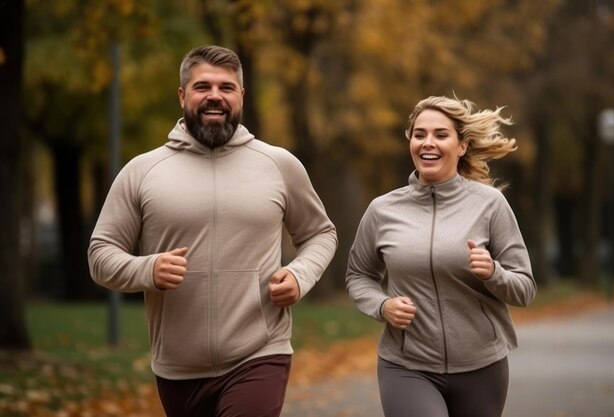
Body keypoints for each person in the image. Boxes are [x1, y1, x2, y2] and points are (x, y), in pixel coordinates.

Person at [88, 45, 337, 417]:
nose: (215, 96)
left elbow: (320, 233)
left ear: (241, 96)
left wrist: (300, 275)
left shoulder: (279, 165)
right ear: (182, 95)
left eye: (227, 87)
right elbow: (100, 254)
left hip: (260, 353)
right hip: (177, 367)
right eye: (203, 86)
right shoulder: (143, 172)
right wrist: (147, 270)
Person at [345, 95, 536, 417]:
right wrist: (382, 305)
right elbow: (359, 275)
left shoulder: (489, 205)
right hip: (406, 365)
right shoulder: (383, 210)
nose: (427, 143)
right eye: (419, 134)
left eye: (440, 135)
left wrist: (493, 272)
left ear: (461, 146)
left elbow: (525, 288)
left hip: (481, 366)